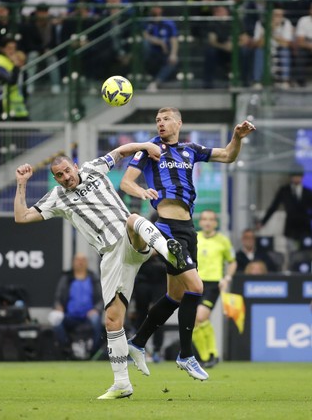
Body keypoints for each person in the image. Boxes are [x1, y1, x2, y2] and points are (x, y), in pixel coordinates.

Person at [14, 142, 186, 400]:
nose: (65, 177)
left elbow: (121, 152)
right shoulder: (57, 197)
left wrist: (147, 145)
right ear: (55, 178)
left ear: (74, 166)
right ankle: (122, 384)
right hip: (110, 257)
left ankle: (169, 251)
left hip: (129, 240)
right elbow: (21, 217)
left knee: (132, 219)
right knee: (112, 320)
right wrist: (22, 183)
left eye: (67, 171)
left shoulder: (94, 168)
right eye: (59, 176)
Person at [120, 107, 256, 381]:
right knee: (196, 287)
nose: (160, 123)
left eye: (166, 119)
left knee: (176, 296)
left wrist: (237, 137)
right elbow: (125, 182)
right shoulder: (148, 149)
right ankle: (186, 355)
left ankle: (136, 343)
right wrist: (141, 190)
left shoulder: (191, 149)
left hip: (187, 228)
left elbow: (228, 155)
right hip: (165, 227)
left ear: (178, 123)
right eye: (157, 120)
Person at [193, 209, 236, 368]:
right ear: (201, 222)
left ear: (215, 223)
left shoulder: (223, 241)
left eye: (211, 219)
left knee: (201, 316)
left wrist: (227, 278)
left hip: (212, 284)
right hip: (195, 282)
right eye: (204, 219)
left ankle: (211, 354)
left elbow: (232, 261)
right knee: (196, 320)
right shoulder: (195, 238)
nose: (207, 222)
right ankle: (208, 357)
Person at [49, 252, 103, 358]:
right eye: (78, 260)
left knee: (96, 320)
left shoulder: (93, 278)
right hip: (70, 316)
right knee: (57, 321)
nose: (80, 263)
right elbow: (57, 298)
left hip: (88, 315)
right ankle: (67, 349)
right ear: (73, 262)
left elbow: (102, 299)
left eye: (83, 260)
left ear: (87, 263)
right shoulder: (66, 278)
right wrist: (58, 307)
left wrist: (96, 309)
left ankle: (93, 352)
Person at [256, 169, 312, 253]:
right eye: (294, 176)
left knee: (306, 252)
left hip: (305, 227)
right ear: (291, 178)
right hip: (290, 228)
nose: (296, 179)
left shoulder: (308, 192)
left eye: (298, 176)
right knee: (291, 253)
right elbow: (273, 207)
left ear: (302, 177)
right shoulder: (284, 191)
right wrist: (263, 222)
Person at [132, 238, 167, 363]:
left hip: (161, 279)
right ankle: (140, 348)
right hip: (143, 279)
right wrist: (153, 250)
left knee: (159, 314)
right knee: (140, 314)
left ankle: (157, 350)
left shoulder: (166, 231)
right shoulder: (141, 231)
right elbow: (137, 250)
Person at [252, 7, 293, 89]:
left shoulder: (286, 23)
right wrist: (269, 29)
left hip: (280, 48)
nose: (278, 18)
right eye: (276, 15)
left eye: (280, 15)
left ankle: (285, 80)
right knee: (259, 51)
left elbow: (286, 44)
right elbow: (258, 44)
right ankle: (257, 81)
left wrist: (273, 32)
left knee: (285, 52)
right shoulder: (261, 23)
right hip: (265, 48)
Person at [143, 6, 179, 92]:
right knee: (144, 44)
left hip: (165, 53)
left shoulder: (168, 23)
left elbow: (174, 39)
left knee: (173, 61)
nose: (155, 9)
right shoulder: (147, 22)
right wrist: (160, 42)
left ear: (161, 9)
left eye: (157, 7)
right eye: (153, 7)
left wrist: (173, 54)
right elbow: (145, 35)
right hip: (152, 53)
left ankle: (155, 83)